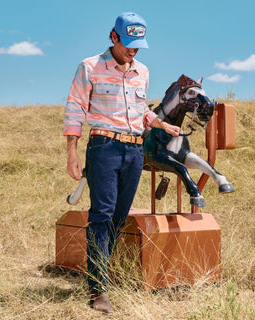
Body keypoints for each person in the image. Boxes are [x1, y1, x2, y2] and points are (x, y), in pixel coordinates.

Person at [63, 12, 180, 315]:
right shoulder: (89, 67)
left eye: (138, 44)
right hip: (103, 147)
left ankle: (99, 271)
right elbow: (75, 108)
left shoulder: (142, 70)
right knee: (101, 214)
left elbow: (141, 111)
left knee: (118, 216)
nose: (133, 50)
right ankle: (98, 288)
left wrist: (162, 125)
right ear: (113, 37)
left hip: (134, 151)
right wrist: (72, 152)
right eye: (128, 43)